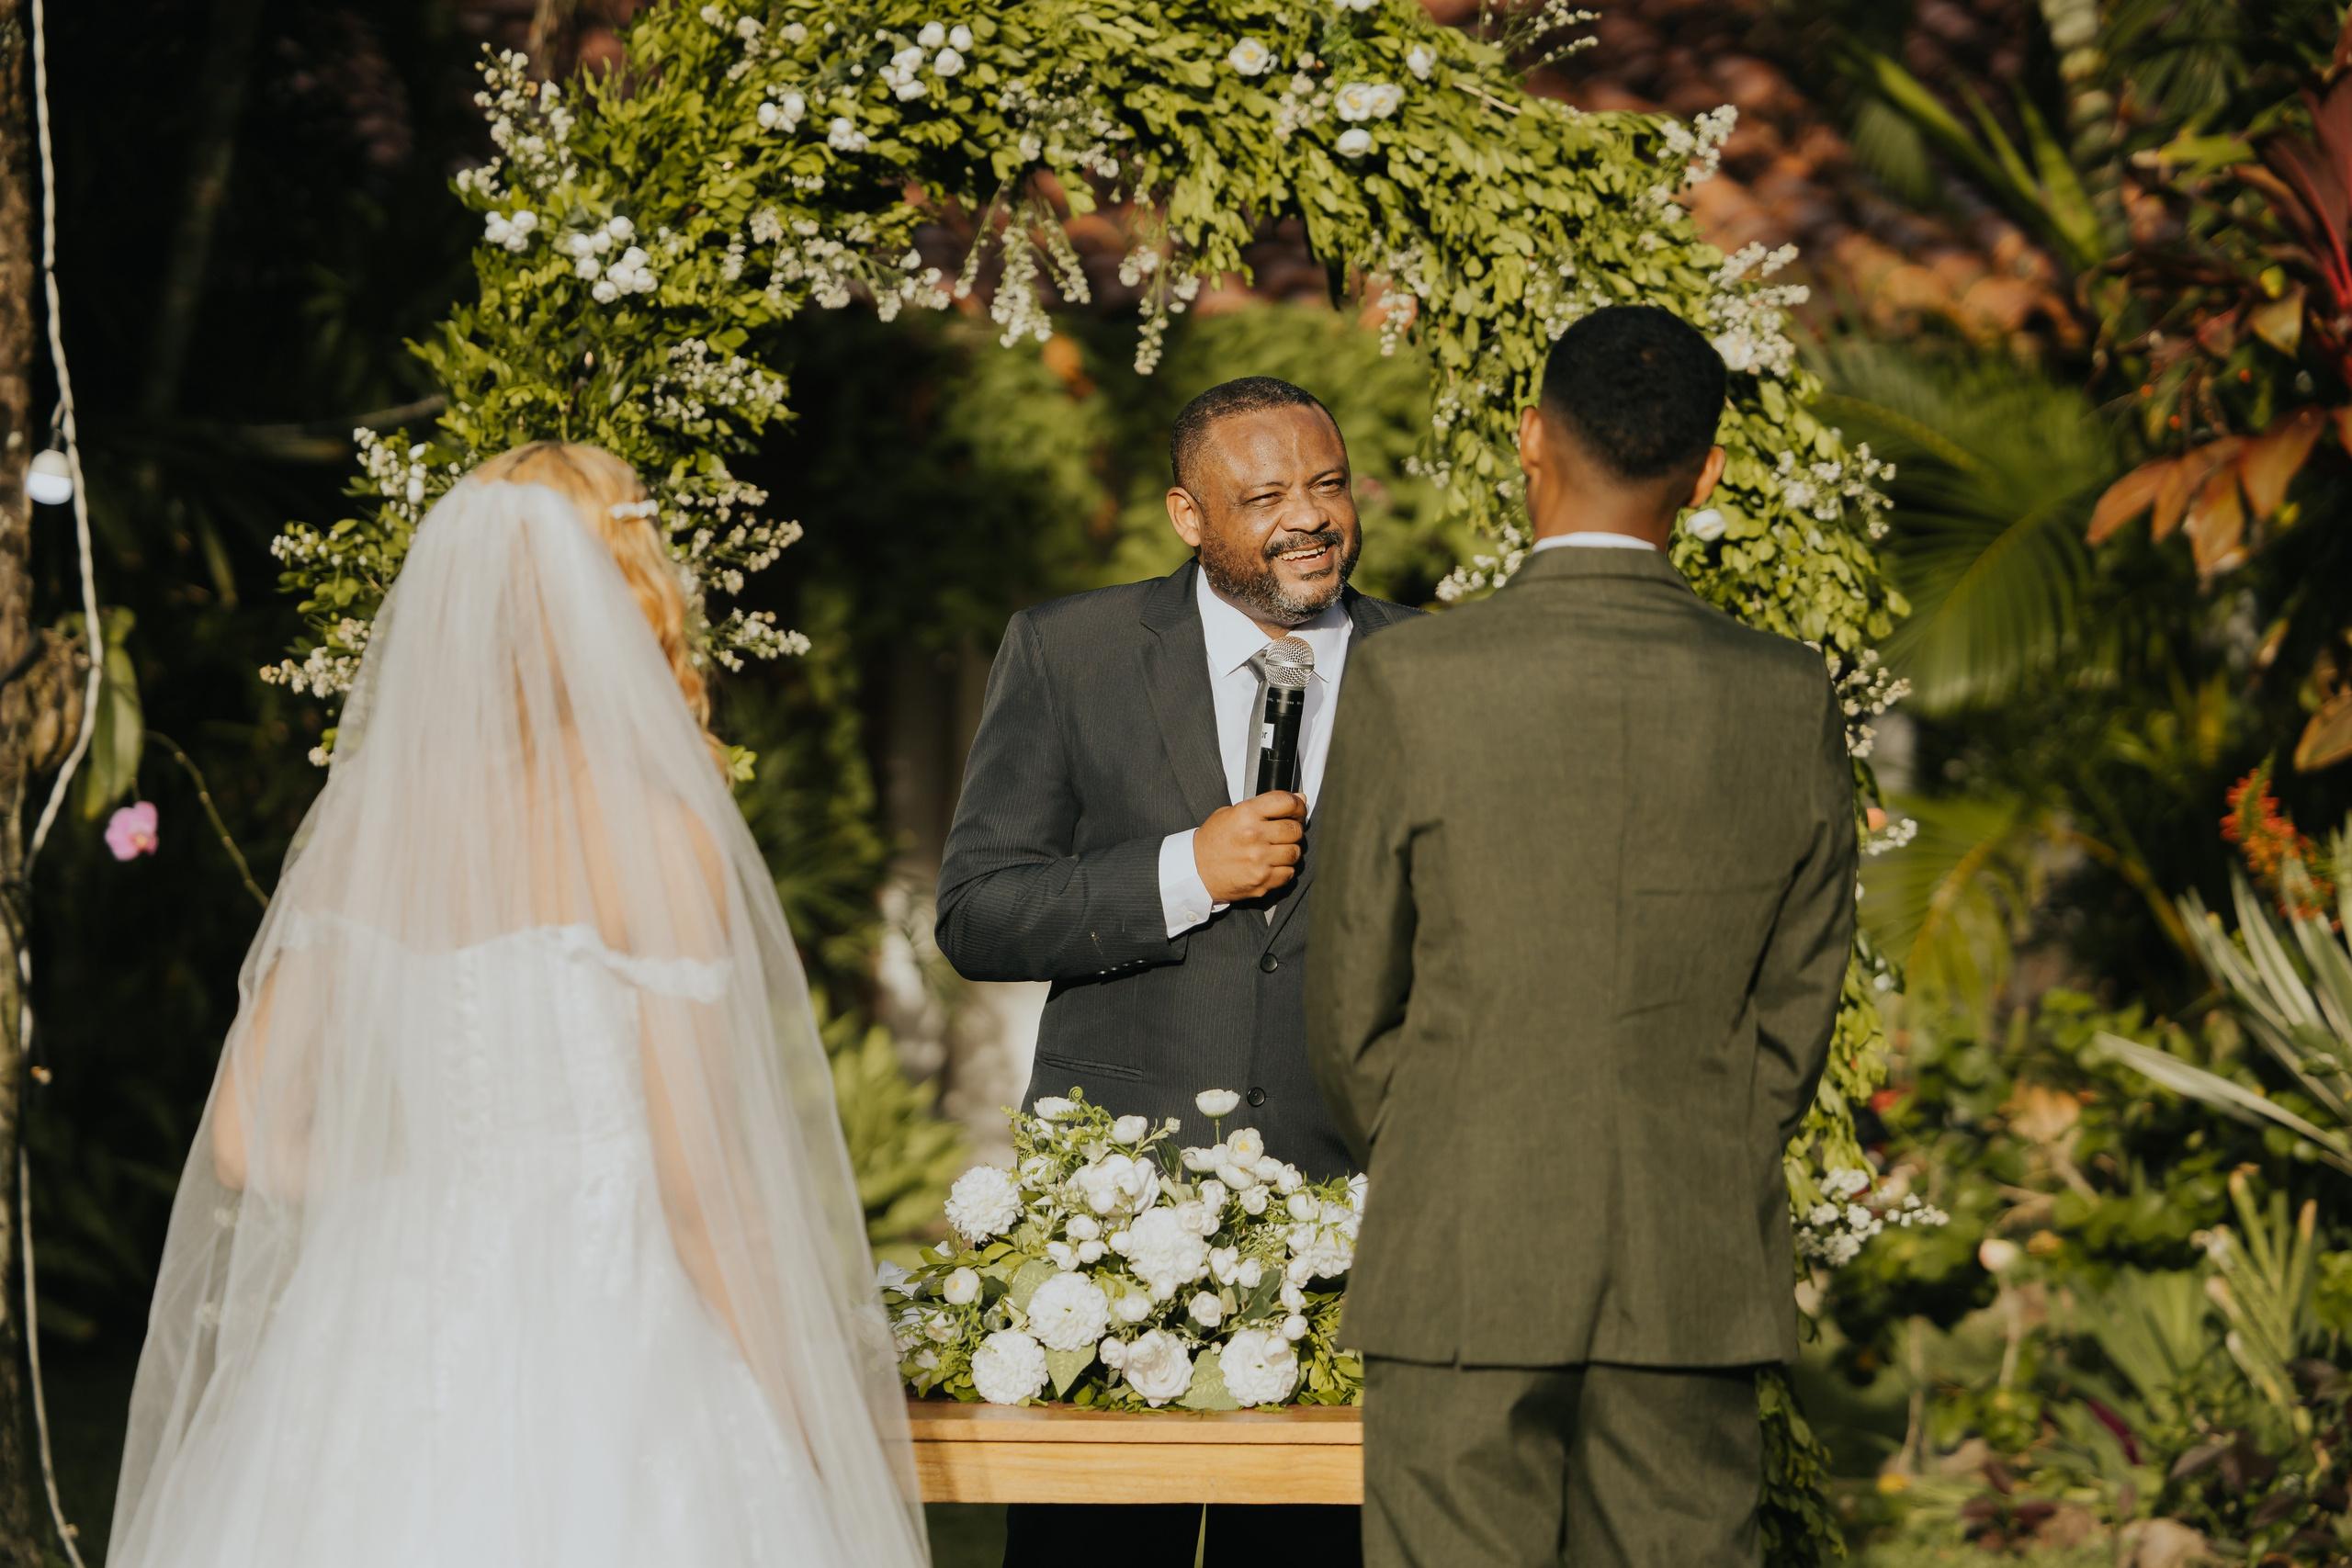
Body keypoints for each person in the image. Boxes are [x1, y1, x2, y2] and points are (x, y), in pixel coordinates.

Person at [107, 444, 931, 1568]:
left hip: (383, 1317)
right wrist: (824, 1435)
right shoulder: (652, 836)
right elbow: (699, 1196)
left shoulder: (369, 831)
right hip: (613, 1322)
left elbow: (247, 1140)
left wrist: (417, 1198)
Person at [1306, 306, 1858, 1568]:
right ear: (1709, 470)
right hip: (1689, 1246)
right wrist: (1708, 1132)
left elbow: (1349, 994)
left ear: (1529, 439)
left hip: (1461, 1239)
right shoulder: (1786, 692)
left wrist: (1434, 1132)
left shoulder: (1417, 681)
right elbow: (1800, 990)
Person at [936, 377, 1418, 1568]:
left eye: (1328, 483)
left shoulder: (1436, 661)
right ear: (1187, 514)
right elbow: (977, 911)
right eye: (1264, 495)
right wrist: (1182, 869)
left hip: (1355, 1216)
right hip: (1117, 1231)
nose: (1310, 516)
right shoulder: (1072, 651)